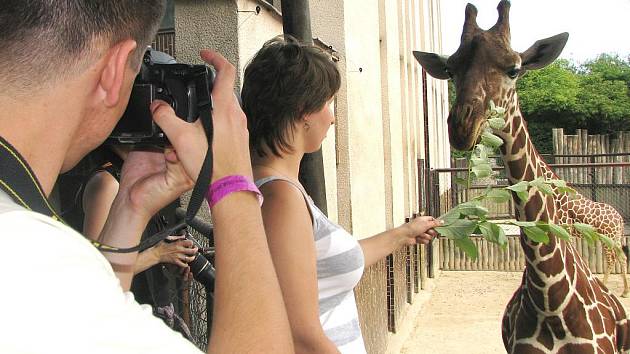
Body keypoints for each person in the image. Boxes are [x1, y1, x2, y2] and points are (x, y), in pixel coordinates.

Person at [0, 2, 293, 353]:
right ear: (113, 69)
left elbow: (95, 317)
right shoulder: (37, 262)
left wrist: (130, 205)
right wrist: (233, 185)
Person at [242, 36, 443, 353]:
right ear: (304, 110)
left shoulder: (276, 186)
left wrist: (405, 233)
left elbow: (322, 265)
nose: (332, 117)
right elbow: (301, 336)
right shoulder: (281, 198)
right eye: (327, 104)